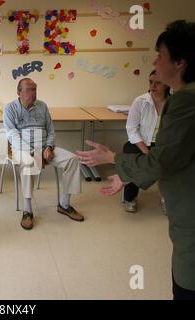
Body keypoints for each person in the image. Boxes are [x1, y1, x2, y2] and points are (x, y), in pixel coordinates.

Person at [76, 20, 195, 300]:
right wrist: (129, 169)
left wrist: (112, 158)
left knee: (186, 282)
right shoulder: (176, 98)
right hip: (154, 161)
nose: (155, 62)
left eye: (160, 55)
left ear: (179, 62)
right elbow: (167, 154)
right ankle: (131, 195)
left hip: (190, 219)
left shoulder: (184, 101)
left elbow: (162, 161)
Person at [3, 78, 84, 230]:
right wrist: (34, 153)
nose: (33, 93)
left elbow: (51, 130)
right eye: (29, 90)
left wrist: (49, 148)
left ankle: (64, 205)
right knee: (28, 162)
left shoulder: (42, 106)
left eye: (35, 89)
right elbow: (13, 136)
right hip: (23, 150)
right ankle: (27, 211)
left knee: (72, 159)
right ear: (19, 92)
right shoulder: (10, 108)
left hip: (44, 148)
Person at [122, 70, 170, 213]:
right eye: (150, 82)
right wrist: (145, 150)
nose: (153, 86)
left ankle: (167, 198)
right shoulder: (141, 101)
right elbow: (131, 129)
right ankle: (130, 198)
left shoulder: (174, 103)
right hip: (141, 142)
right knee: (134, 160)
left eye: (158, 82)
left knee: (174, 162)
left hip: (162, 144)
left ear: (167, 84)